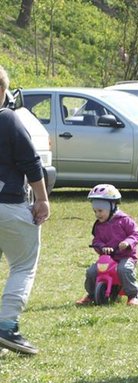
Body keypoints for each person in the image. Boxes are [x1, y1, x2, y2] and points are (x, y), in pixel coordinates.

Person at [0, 65, 50, 355]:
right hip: (9, 203)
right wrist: (42, 199)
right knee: (22, 265)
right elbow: (31, 162)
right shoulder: (8, 118)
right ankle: (7, 326)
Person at [75, 185, 138, 307]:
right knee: (92, 271)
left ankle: (134, 294)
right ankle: (91, 294)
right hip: (108, 258)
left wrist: (127, 242)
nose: (97, 214)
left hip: (125, 256)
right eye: (95, 211)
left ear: (112, 207)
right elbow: (96, 240)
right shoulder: (99, 225)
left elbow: (136, 234)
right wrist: (101, 247)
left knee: (124, 269)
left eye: (100, 211)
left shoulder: (124, 220)